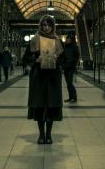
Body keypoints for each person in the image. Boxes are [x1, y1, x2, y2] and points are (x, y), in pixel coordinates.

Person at [26, 15, 65, 144]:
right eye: (43, 25)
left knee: (51, 105)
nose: (46, 27)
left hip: (53, 78)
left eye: (48, 25)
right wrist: (34, 60)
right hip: (39, 77)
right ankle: (41, 134)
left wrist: (57, 60)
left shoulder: (58, 41)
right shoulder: (34, 40)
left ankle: (49, 134)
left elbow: (64, 59)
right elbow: (25, 58)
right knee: (40, 105)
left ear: (52, 26)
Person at [63, 34, 80, 103]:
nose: (67, 40)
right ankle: (70, 97)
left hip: (71, 67)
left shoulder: (74, 47)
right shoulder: (64, 47)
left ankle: (74, 97)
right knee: (68, 83)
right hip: (66, 67)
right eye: (67, 39)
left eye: (69, 39)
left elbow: (77, 56)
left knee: (70, 83)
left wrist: (75, 64)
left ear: (71, 40)